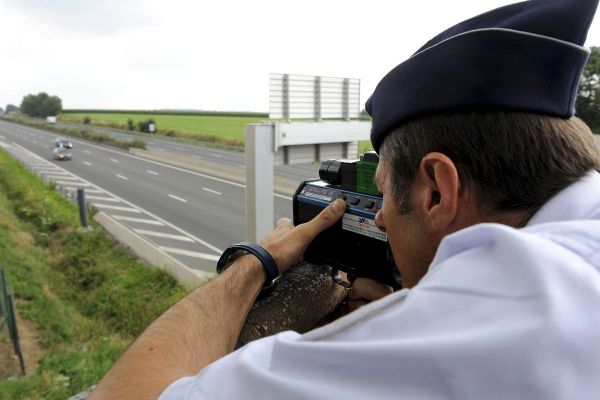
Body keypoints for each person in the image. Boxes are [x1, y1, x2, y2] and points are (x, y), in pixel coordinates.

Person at [89, 0, 600, 398]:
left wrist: (256, 262)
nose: (377, 217)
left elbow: (127, 394)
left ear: (438, 190)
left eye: (381, 195)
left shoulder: (488, 317)